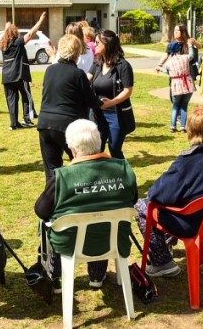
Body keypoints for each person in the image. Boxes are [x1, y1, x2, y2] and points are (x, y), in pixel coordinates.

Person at [134, 107, 203, 276]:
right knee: (180, 199)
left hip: (191, 224)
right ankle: (166, 245)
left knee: (141, 205)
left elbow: (157, 195)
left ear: (190, 130)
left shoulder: (187, 163)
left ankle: (162, 263)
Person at [34, 119, 138, 288]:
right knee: (102, 220)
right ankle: (97, 276)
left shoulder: (61, 177)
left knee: (48, 222)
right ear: (99, 143)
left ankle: (54, 275)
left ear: (73, 149)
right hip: (113, 240)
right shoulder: (124, 169)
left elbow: (40, 210)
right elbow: (132, 200)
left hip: (68, 244)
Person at [37, 34, 102, 180]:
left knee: (52, 170)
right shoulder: (78, 74)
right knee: (80, 164)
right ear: (77, 53)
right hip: (68, 125)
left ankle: (53, 199)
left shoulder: (50, 70)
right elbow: (91, 100)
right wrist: (103, 102)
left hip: (46, 123)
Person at [88, 30, 135, 159]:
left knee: (114, 148)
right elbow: (86, 80)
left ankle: (123, 176)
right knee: (97, 148)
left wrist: (111, 102)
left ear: (107, 44)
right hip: (98, 114)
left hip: (116, 114)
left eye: (97, 42)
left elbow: (127, 90)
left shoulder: (123, 66)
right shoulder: (97, 63)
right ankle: (99, 176)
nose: (94, 44)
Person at [0, 12, 46, 130]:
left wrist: (7, 28)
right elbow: (30, 34)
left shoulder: (2, 44)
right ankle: (27, 118)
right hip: (19, 75)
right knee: (26, 96)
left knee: (11, 100)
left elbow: (7, 34)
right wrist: (39, 22)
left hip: (7, 77)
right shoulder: (17, 42)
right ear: (15, 32)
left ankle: (13, 123)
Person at [156, 25, 201, 132]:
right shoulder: (171, 45)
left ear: (183, 31)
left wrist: (193, 43)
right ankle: (181, 120)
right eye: (174, 30)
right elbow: (165, 55)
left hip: (186, 73)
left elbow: (199, 47)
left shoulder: (188, 42)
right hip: (177, 74)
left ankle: (178, 120)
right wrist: (159, 64)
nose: (175, 32)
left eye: (177, 30)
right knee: (177, 101)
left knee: (178, 101)